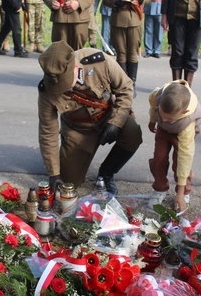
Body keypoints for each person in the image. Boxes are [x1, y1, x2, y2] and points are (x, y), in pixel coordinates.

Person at [38, 41, 142, 196]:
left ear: (75, 66)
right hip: (78, 131)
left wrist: (115, 122)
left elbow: (125, 88)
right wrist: (53, 174)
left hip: (108, 117)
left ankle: (106, 173)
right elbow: (48, 133)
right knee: (68, 183)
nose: (60, 88)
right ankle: (68, 159)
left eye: (64, 82)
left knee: (132, 134)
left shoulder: (99, 61)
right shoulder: (47, 92)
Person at [147, 80, 201, 213]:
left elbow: (185, 157)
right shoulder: (157, 95)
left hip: (181, 133)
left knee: (180, 162)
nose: (165, 120)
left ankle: (183, 192)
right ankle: (160, 188)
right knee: (159, 158)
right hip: (162, 131)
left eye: (169, 119)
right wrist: (153, 119)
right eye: (163, 115)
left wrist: (180, 193)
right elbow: (152, 104)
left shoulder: (187, 124)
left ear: (185, 111)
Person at [102, 0, 151, 96]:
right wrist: (115, 3)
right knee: (121, 54)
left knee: (132, 54)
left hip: (134, 20)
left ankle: (132, 84)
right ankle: (122, 85)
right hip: (118, 20)